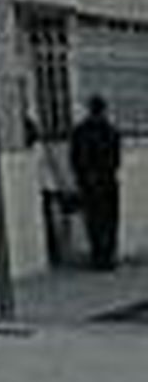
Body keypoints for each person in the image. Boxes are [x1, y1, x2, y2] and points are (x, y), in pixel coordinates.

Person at [69, 94, 123, 273]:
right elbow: (116, 159)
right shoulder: (111, 131)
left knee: (94, 221)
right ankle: (107, 256)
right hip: (107, 181)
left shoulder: (80, 131)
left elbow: (75, 159)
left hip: (90, 182)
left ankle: (99, 256)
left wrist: (82, 178)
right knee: (109, 220)